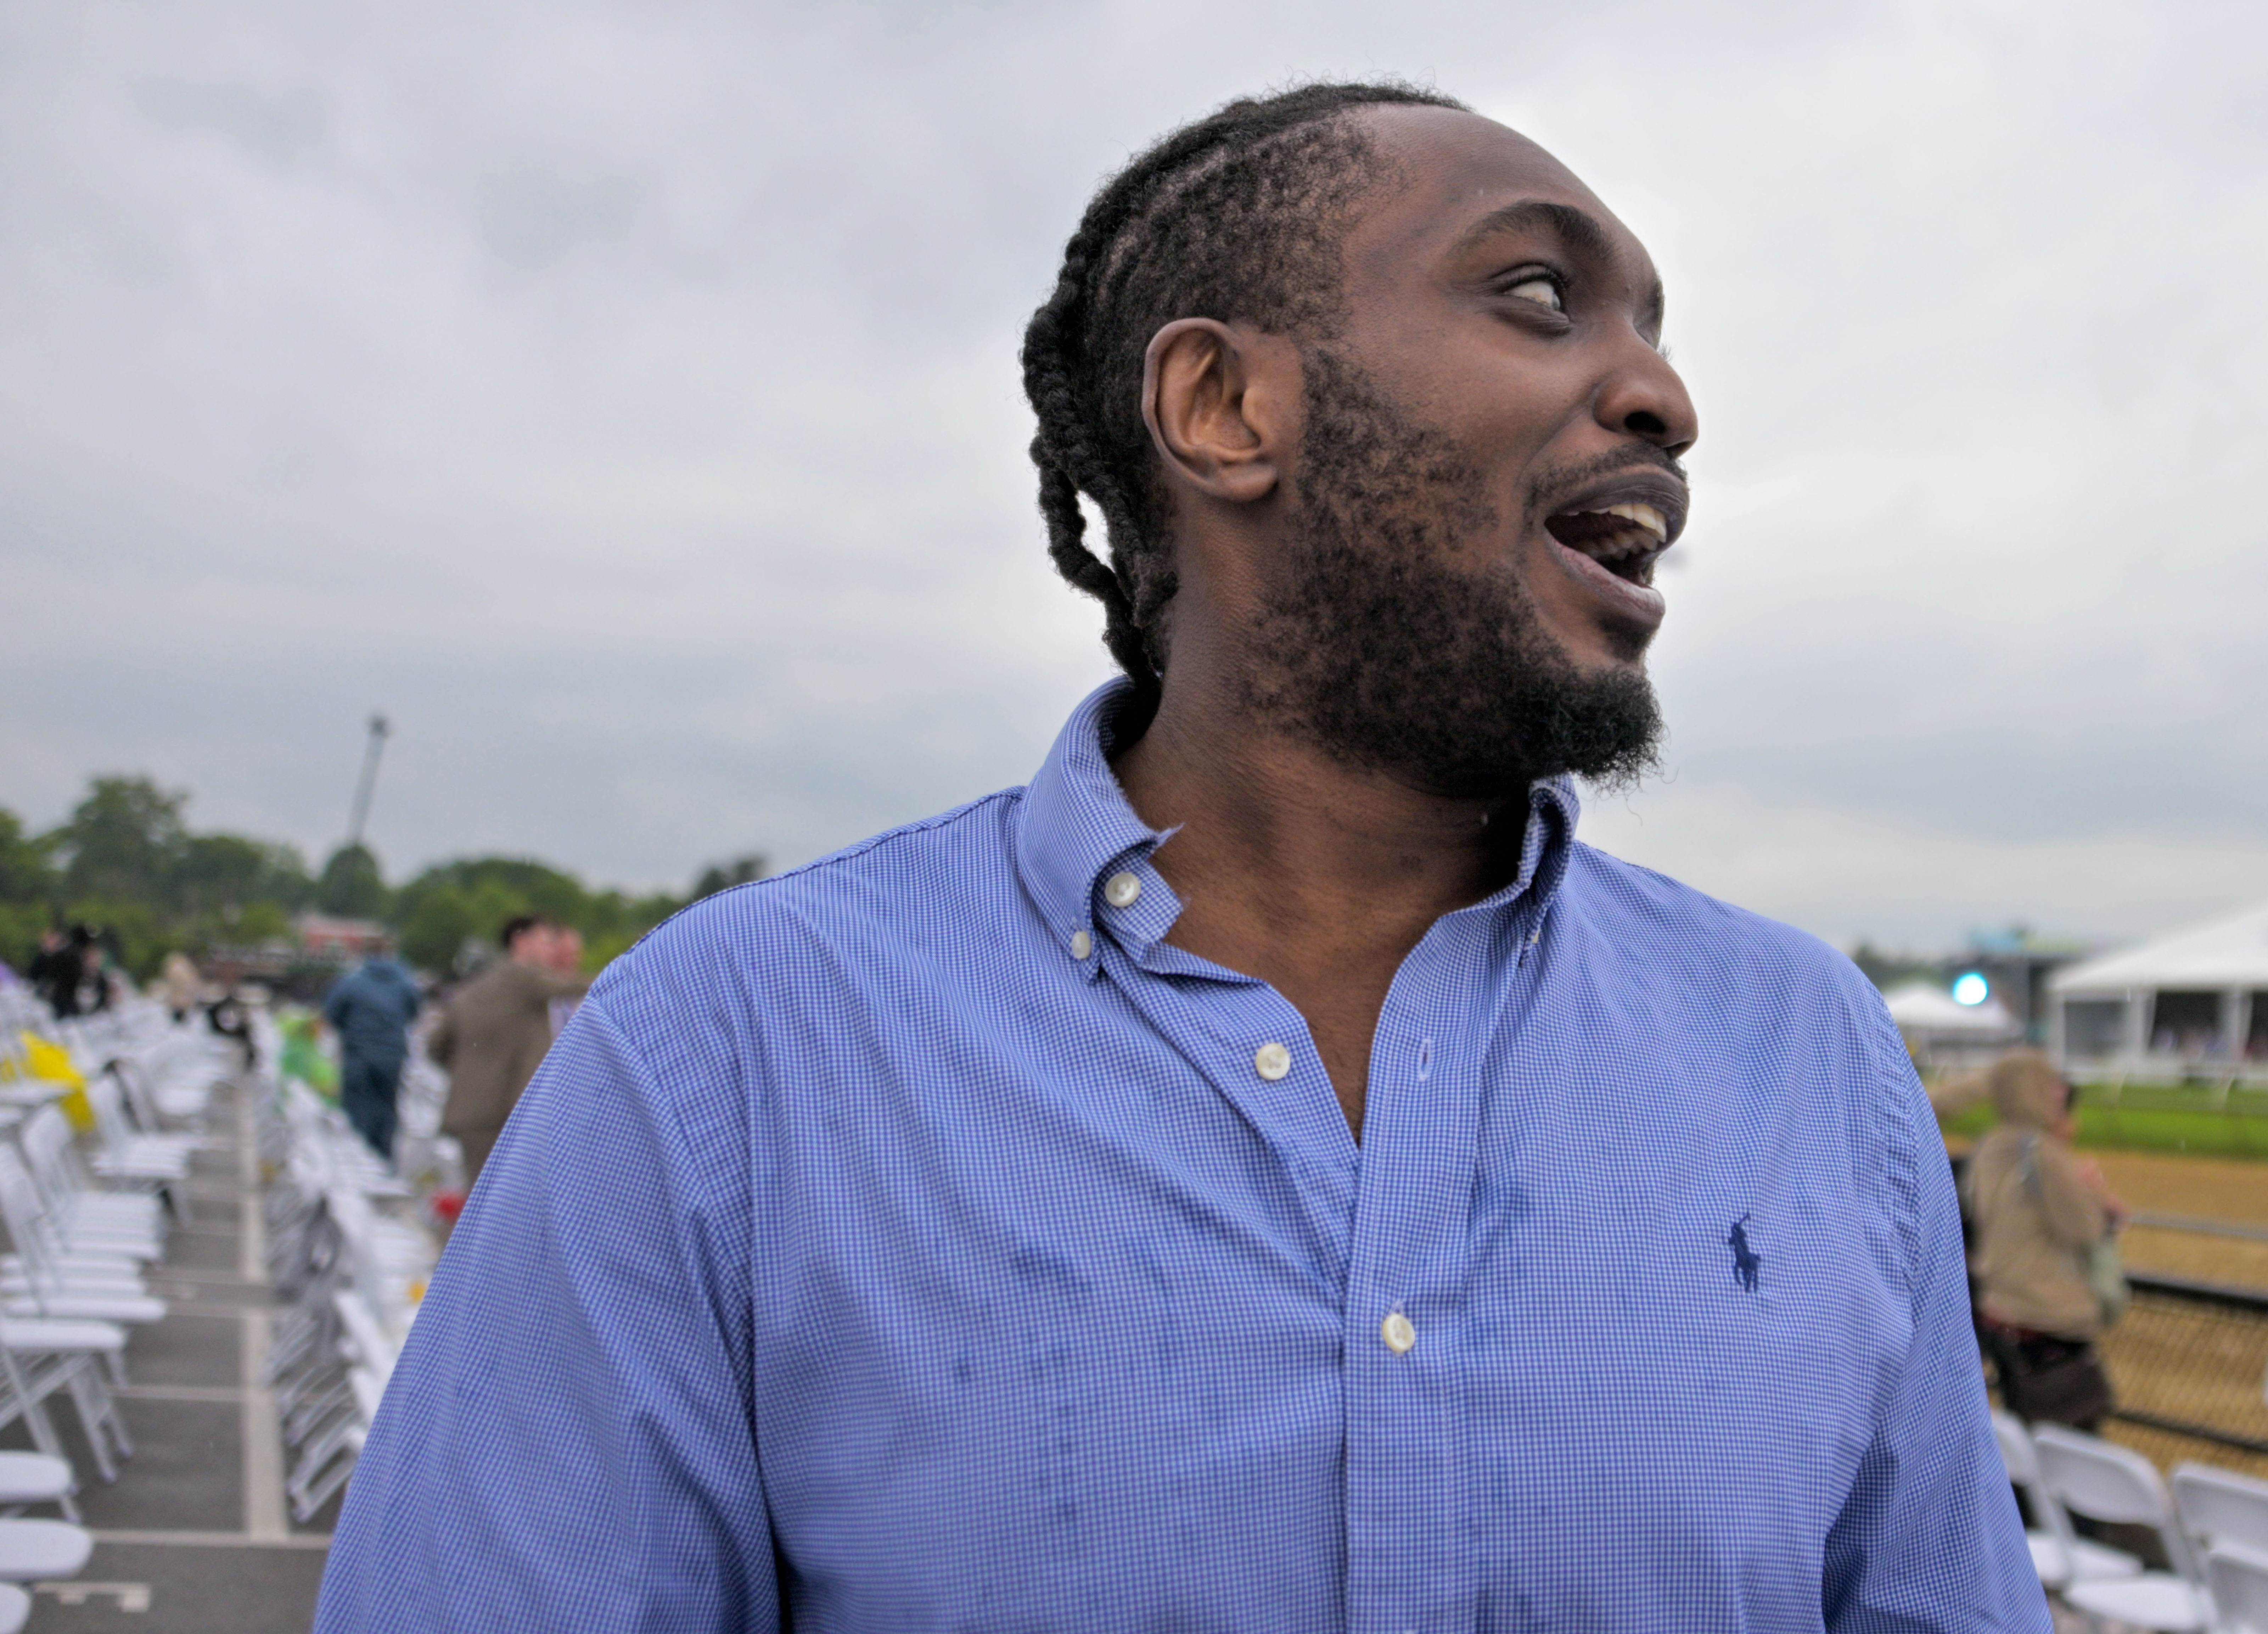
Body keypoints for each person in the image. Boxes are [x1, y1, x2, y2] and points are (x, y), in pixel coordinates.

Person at [318, 84, 2044, 1631]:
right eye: (1537, 294)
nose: (1661, 394)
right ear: (1220, 405)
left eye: (1654, 331)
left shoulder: (1802, 1056)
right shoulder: (728, 1054)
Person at [1966, 1050, 2127, 1429]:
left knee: (2025, 1433)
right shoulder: (2042, 1151)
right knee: (2073, 1446)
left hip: (1999, 1315)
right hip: (2045, 1322)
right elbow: (2085, 1229)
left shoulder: (1991, 1146)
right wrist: (2093, 1191)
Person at [426, 914, 589, 1186]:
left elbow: (436, 1047)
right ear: (522, 941)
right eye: (547, 942)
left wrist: (470, 1073)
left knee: (480, 1197)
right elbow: (580, 985)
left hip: (474, 1115)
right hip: (503, 1116)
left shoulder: (475, 987)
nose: (553, 950)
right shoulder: (524, 979)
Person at [321, 947, 423, 1162]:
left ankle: (360, 1162)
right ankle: (384, 1160)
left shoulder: (352, 982)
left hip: (359, 1054)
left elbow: (331, 1013)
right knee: (387, 1109)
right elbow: (414, 1012)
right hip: (393, 1056)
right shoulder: (405, 983)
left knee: (359, 1109)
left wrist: (350, 1031)